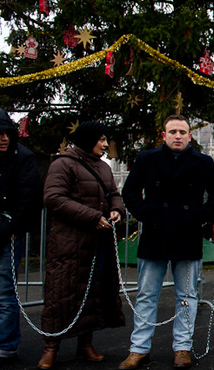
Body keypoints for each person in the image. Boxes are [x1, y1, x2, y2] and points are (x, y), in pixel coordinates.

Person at [118, 115, 214, 369]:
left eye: (183, 132)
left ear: (190, 136)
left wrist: (197, 216)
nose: (178, 136)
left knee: (187, 295)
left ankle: (182, 347)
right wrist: (149, 214)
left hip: (187, 235)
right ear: (164, 135)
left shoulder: (203, 162)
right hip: (155, 234)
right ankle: (139, 349)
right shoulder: (147, 159)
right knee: (146, 294)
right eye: (173, 131)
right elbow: (129, 192)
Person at [39, 121, 125, 369]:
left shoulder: (104, 167)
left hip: (98, 243)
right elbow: (53, 197)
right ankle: (51, 348)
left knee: (94, 293)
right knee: (61, 295)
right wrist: (92, 217)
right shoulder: (63, 164)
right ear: (88, 140)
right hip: (69, 245)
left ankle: (85, 344)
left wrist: (117, 209)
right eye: (101, 139)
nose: (106, 144)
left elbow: (113, 194)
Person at [0, 109, 41, 365]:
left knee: (5, 293)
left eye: (7, 133)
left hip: (10, 233)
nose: (3, 138)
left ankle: (6, 344)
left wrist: (13, 226)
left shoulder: (23, 157)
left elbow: (30, 197)